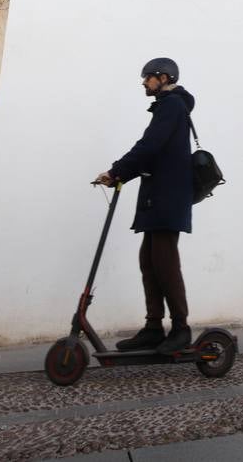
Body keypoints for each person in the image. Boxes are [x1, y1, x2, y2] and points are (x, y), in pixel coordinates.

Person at [93, 57, 195, 355]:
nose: (143, 82)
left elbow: (149, 146)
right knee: (149, 261)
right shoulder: (167, 106)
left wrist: (117, 171)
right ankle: (153, 328)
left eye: (148, 77)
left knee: (164, 262)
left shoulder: (172, 106)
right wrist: (118, 175)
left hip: (167, 197)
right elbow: (152, 154)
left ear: (164, 77)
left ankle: (181, 328)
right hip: (158, 196)